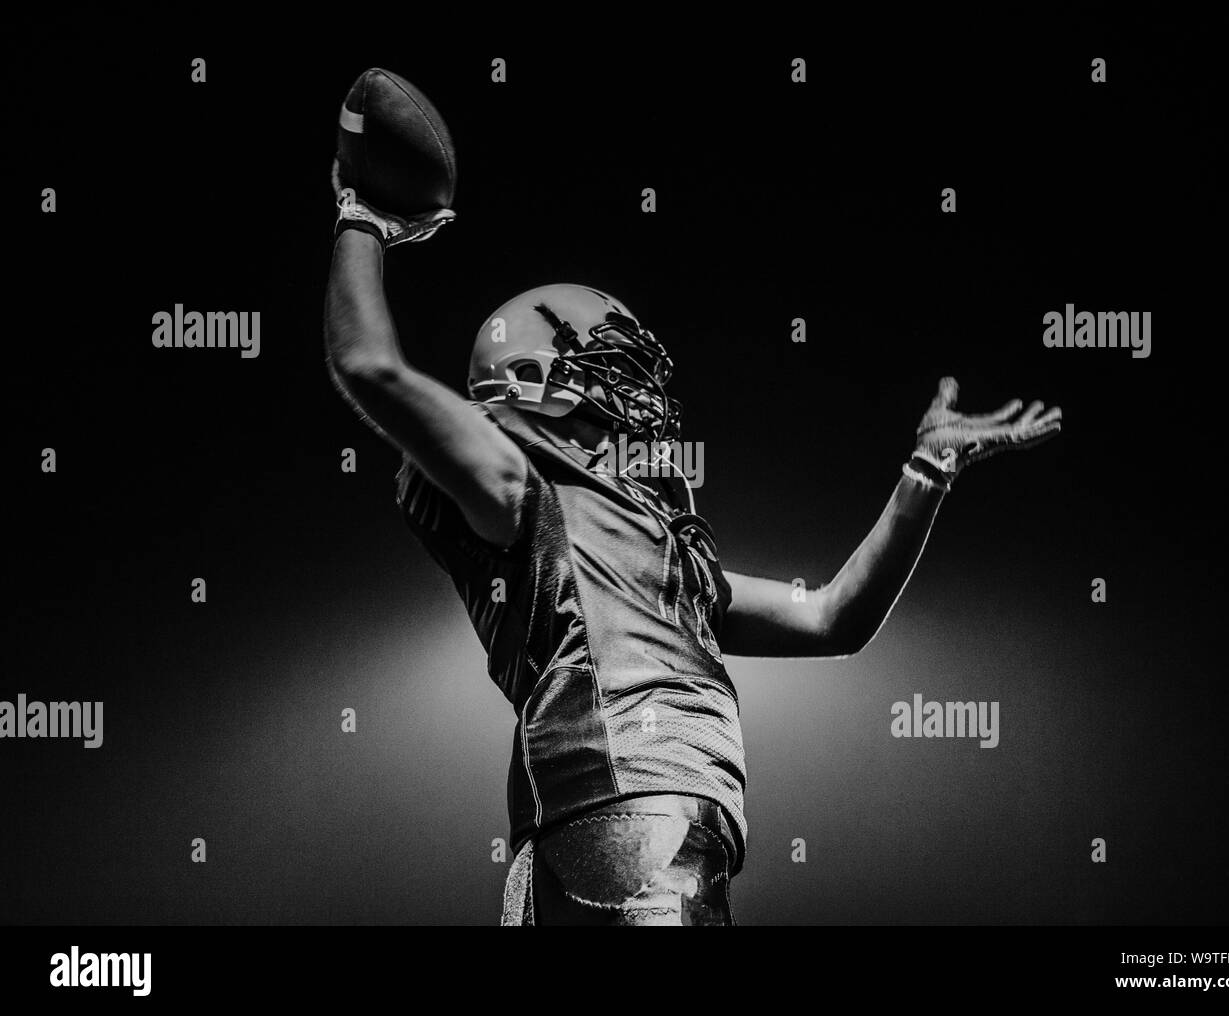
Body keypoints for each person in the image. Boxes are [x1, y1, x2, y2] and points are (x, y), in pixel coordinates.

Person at [323, 178, 1062, 926]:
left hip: (671, 831)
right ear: (534, 378)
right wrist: (367, 220)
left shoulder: (655, 541)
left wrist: (926, 475)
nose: (634, 386)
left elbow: (836, 617)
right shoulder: (521, 484)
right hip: (619, 818)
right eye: (606, 362)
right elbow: (369, 367)